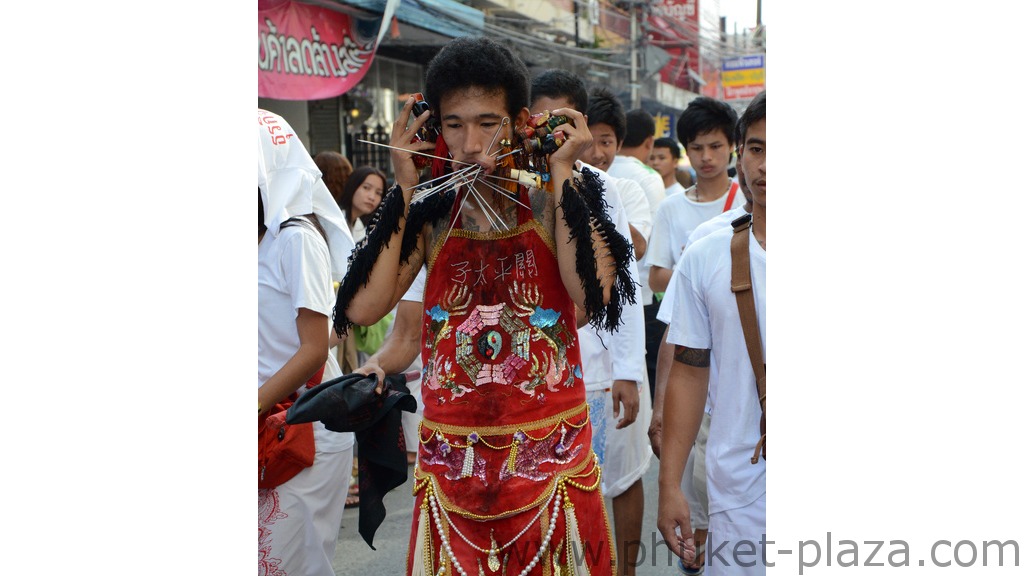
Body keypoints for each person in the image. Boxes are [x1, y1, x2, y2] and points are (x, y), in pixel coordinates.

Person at [334, 37, 635, 576]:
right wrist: (404, 186)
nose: (470, 144)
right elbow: (361, 308)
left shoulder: (554, 196)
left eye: (486, 122)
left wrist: (564, 172)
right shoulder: (429, 211)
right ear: (432, 128)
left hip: (550, 465)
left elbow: (592, 301)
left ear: (521, 121)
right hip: (454, 468)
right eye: (453, 124)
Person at [530, 68, 652, 576]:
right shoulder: (508, 184)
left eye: (565, 120)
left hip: (598, 370)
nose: (552, 131)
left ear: (582, 124)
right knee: (544, 492)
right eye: (542, 118)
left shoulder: (602, 188)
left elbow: (622, 284)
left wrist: (628, 368)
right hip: (533, 372)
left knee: (616, 479)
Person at [657, 90, 766, 576]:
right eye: (759, 149)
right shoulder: (707, 253)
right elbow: (689, 371)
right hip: (737, 484)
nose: (768, 166)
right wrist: (670, 485)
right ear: (741, 154)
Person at [258, 109, 356, 576]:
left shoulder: (294, 240)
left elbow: (315, 348)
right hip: (263, 427)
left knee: (289, 566)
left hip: (303, 429)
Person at [646, 97, 742, 296]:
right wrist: (701, 269)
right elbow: (656, 279)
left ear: (732, 145)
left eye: (715, 146)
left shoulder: (749, 200)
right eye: (697, 148)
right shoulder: (670, 207)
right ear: (687, 150)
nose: (706, 156)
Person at [606, 107, 666, 402]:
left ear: (618, 141)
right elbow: (647, 248)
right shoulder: (649, 178)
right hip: (638, 300)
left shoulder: (619, 180)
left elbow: (638, 244)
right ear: (649, 143)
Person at [337, 165, 387, 242]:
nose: (372, 197)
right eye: (366, 188)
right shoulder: (336, 220)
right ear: (353, 186)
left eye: (378, 193)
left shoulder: (359, 225)